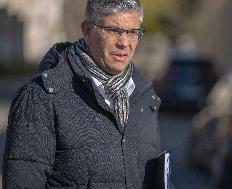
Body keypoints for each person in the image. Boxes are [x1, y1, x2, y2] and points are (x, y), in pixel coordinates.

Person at [2, 0, 164, 188]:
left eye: (132, 32)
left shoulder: (144, 96)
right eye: (113, 30)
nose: (124, 43)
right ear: (88, 31)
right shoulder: (42, 95)